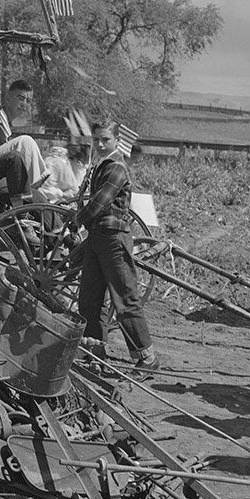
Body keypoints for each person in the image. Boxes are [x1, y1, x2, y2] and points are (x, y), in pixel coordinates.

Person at [74, 121, 158, 370]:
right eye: (97, 139)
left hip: (113, 239)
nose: (100, 144)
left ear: (116, 141)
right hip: (97, 238)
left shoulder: (116, 167)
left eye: (106, 140)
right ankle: (95, 352)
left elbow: (99, 203)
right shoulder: (99, 165)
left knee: (124, 298)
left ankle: (147, 357)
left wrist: (75, 222)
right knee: (90, 298)